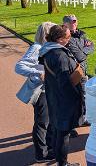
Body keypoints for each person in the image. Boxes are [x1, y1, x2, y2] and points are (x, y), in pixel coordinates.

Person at [39, 25, 84, 166]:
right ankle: (63, 163)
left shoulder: (48, 51)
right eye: (68, 37)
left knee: (58, 130)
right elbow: (65, 83)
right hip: (64, 100)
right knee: (63, 133)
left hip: (54, 96)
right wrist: (77, 96)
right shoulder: (60, 56)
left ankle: (59, 160)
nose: (70, 39)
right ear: (59, 39)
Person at [15, 22, 56, 163]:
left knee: (50, 121)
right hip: (41, 91)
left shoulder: (47, 47)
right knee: (42, 122)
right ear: (47, 34)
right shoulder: (37, 48)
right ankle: (41, 154)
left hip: (50, 90)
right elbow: (19, 66)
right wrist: (39, 72)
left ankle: (49, 148)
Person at [63, 14, 94, 135]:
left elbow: (91, 46)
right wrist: (84, 51)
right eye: (72, 22)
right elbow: (79, 56)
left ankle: (83, 118)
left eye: (76, 21)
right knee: (73, 98)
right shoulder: (66, 37)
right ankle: (70, 124)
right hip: (73, 72)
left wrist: (84, 50)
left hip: (83, 70)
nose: (75, 23)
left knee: (84, 96)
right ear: (66, 24)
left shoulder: (81, 34)